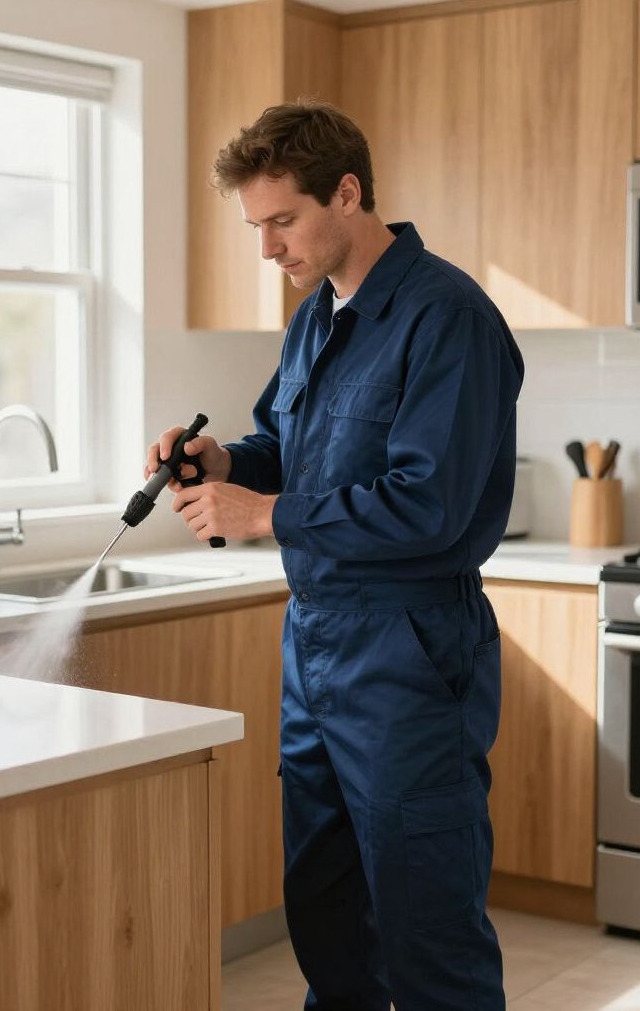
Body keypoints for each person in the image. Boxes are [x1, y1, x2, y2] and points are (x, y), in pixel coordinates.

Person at [147, 100, 523, 1010]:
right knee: (326, 917)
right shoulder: (316, 317)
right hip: (315, 646)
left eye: (283, 221)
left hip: (410, 649)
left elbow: (426, 506)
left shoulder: (448, 318)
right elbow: (284, 441)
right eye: (256, 227)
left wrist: (263, 513)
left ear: (347, 193)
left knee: (427, 930)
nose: (267, 248)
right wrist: (223, 462)